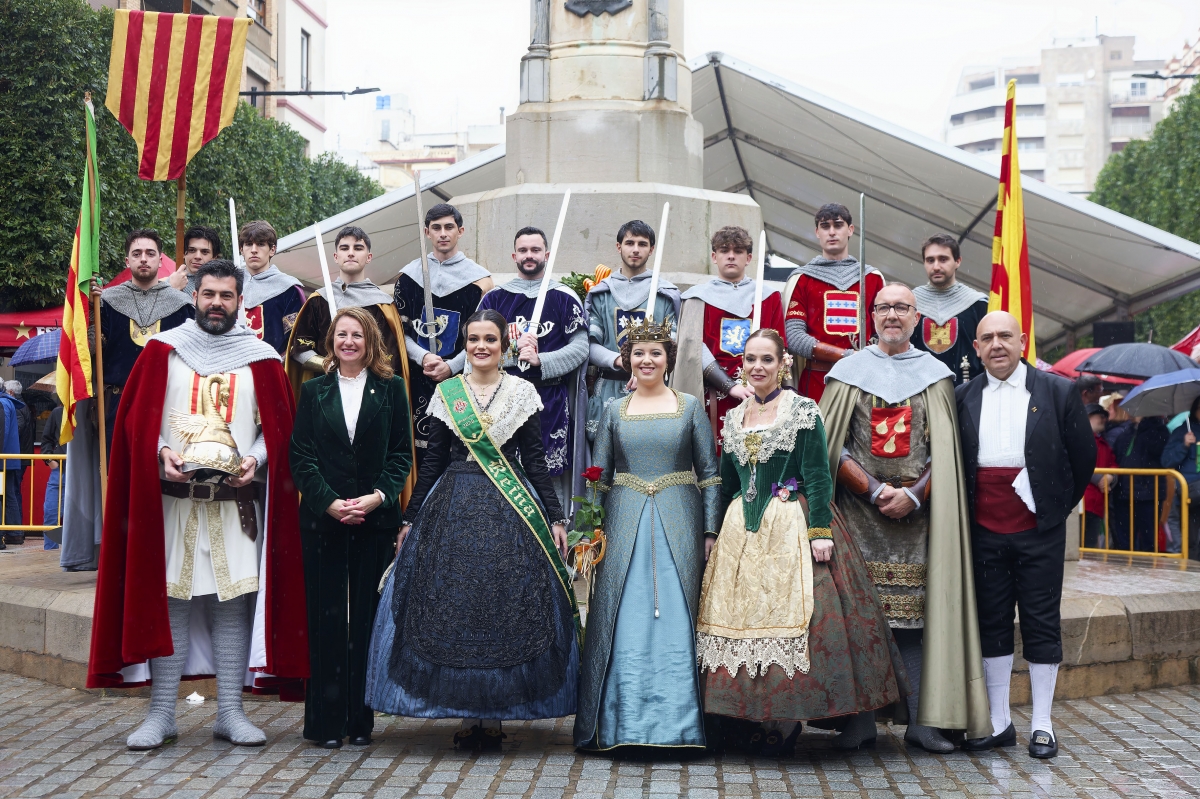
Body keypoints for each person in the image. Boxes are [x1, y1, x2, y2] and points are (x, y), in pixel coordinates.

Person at [87, 259, 309, 750]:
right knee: (172, 602)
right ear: (194, 296)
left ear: (240, 301)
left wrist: (255, 459)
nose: (216, 304)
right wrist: (160, 450)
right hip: (173, 506)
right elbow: (136, 423)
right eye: (209, 294)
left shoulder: (262, 358)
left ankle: (230, 713)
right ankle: (162, 715)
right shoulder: (163, 351)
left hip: (236, 507)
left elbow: (278, 431)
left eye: (226, 296)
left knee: (232, 604)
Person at [366, 309, 576, 752]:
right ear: (465, 345)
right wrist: (409, 519)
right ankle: (466, 712)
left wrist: (556, 518)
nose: (482, 347)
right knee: (456, 603)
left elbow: (535, 461)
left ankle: (494, 715)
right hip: (452, 504)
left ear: (504, 345)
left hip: (511, 508)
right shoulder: (448, 393)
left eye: (490, 340)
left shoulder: (522, 392)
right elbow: (433, 462)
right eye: (474, 339)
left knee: (503, 604)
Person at [698, 330, 906, 756]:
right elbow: (728, 481)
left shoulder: (802, 410)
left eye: (767, 359)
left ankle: (790, 718)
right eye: (750, 359)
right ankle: (748, 718)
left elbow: (817, 475)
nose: (757, 367)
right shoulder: (733, 417)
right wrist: (716, 532)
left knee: (813, 622)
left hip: (792, 524)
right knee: (740, 621)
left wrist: (820, 531)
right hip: (741, 533)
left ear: (783, 364)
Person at [821, 283, 991, 752]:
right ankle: (859, 723)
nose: (892, 315)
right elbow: (830, 446)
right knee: (860, 619)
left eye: (901, 307)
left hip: (920, 522)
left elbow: (948, 451)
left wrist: (914, 496)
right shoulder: (847, 373)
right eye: (883, 307)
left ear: (917, 318)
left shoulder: (937, 377)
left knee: (916, 620)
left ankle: (922, 721)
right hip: (857, 519)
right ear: (872, 316)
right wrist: (875, 491)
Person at [574, 317, 721, 753]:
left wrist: (710, 530)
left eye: (656, 352)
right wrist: (589, 530)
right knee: (625, 610)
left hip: (680, 516)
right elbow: (599, 476)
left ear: (668, 359)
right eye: (639, 353)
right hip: (624, 518)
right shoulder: (613, 410)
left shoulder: (690, 407)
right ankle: (622, 724)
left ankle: (681, 725)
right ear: (627, 360)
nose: (647, 360)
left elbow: (710, 474)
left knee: (678, 609)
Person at [956, 311, 1094, 759]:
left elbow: (1083, 459)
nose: (997, 344)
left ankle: (1042, 724)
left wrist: (1053, 506)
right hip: (982, 527)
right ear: (976, 348)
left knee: (1040, 620)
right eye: (987, 338)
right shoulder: (962, 396)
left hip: (1039, 528)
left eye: (1005, 336)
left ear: (1022, 341)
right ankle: (998, 722)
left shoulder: (1058, 391)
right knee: (991, 621)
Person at [289, 307, 413, 749]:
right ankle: (324, 724)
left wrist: (379, 496)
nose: (348, 342)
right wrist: (329, 502)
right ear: (331, 341)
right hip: (324, 519)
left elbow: (401, 453)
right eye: (341, 334)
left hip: (375, 519)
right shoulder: (315, 390)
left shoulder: (391, 388)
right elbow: (301, 455)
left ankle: (360, 721)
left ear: (370, 341)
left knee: (365, 619)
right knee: (325, 619)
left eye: (357, 335)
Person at [285, 227, 416, 510]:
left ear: (369, 256)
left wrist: (359, 366)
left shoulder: (382, 304)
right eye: (344, 248)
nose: (351, 253)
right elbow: (299, 349)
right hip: (326, 395)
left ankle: (372, 501)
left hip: (372, 397)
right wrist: (328, 364)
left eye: (358, 248)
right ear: (335, 256)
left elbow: (390, 355)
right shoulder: (318, 300)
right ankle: (328, 503)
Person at [477, 226, 589, 509]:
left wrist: (542, 360)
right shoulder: (494, 299)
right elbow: (476, 349)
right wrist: (514, 351)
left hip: (549, 402)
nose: (529, 255)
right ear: (514, 255)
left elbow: (580, 348)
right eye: (523, 250)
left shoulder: (564, 297)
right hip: (501, 400)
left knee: (547, 480)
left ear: (546, 255)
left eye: (535, 250)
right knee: (503, 475)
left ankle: (551, 531)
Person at [392, 203, 493, 467]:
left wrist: (451, 366)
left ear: (461, 231)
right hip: (417, 377)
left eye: (449, 227)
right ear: (427, 232)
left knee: (458, 455)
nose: (443, 233)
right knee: (419, 456)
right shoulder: (408, 278)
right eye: (436, 228)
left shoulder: (480, 282)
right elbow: (399, 333)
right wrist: (424, 357)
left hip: (463, 378)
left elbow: (484, 339)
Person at [675, 226, 786, 452]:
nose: (731, 256)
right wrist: (729, 385)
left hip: (760, 391)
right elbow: (693, 348)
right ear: (714, 256)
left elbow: (779, 345)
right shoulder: (696, 298)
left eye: (738, 251)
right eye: (724, 250)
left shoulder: (769, 297)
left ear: (749, 258)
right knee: (713, 458)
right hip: (712, 394)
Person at [94, 229, 194, 448]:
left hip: (167, 403)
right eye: (137, 253)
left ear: (160, 259)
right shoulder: (106, 302)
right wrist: (89, 308)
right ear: (127, 261)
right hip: (116, 403)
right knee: (116, 466)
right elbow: (92, 349)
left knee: (161, 466)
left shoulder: (182, 306)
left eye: (150, 253)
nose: (143, 259)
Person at [585, 220, 681, 441]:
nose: (636, 249)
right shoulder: (602, 294)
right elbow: (589, 346)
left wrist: (645, 370)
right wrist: (620, 360)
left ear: (651, 249)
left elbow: (673, 345)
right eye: (630, 243)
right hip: (608, 387)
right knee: (604, 456)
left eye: (642, 244)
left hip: (653, 387)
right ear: (619, 246)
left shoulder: (665, 294)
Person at [784, 203, 884, 402]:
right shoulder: (802, 279)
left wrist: (869, 353)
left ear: (850, 230)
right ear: (817, 232)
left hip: (863, 380)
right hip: (816, 381)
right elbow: (793, 337)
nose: (831, 232)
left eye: (838, 225)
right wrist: (846, 355)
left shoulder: (872, 278)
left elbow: (883, 333)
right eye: (825, 226)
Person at [910, 234, 988, 386]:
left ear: (958, 261)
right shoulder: (909, 304)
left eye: (943, 259)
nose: (936, 266)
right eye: (930, 260)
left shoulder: (978, 304)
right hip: (919, 393)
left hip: (968, 393)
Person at [239, 220, 306, 354]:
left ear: (272, 250)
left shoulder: (289, 289)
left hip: (273, 363)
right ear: (241, 250)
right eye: (248, 244)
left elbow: (295, 340)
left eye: (260, 244)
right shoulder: (229, 286)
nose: (254, 250)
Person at [1111, 415, 1170, 552]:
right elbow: (1117, 456)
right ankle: (1127, 562)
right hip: (1124, 492)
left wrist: (1145, 425)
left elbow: (1158, 451)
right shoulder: (1126, 432)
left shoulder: (1159, 430)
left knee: (1148, 538)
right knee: (1124, 539)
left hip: (1148, 493)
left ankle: (1148, 564)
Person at [1162, 396, 1200, 558]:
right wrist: (1184, 445)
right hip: (1189, 493)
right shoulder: (1183, 431)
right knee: (1190, 538)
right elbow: (1166, 460)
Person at [1084, 404, 1118, 549]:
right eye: (1100, 416)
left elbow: (1113, 463)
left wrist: (1110, 476)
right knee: (1082, 544)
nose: (1104, 420)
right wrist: (1100, 479)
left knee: (1089, 545)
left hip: (1096, 503)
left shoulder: (1103, 443)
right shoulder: (1077, 439)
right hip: (1082, 503)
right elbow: (1076, 463)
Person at [168, 225, 222, 297]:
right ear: (183, 253)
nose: (197, 256)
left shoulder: (224, 284)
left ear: (214, 257)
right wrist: (173, 289)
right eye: (192, 250)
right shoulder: (169, 284)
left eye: (204, 252)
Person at [0, 386, 24, 548]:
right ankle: (14, 533)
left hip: (4, 458)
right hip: (8, 458)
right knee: (9, 494)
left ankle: (13, 533)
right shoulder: (7, 402)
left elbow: (3, 432)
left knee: (7, 495)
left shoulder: (3, 403)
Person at [41, 402, 65, 549]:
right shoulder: (58, 412)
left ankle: (76, 553)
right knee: (50, 512)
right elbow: (46, 440)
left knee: (79, 516)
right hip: (60, 469)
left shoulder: (89, 412)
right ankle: (50, 550)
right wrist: (49, 460)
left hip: (81, 471)